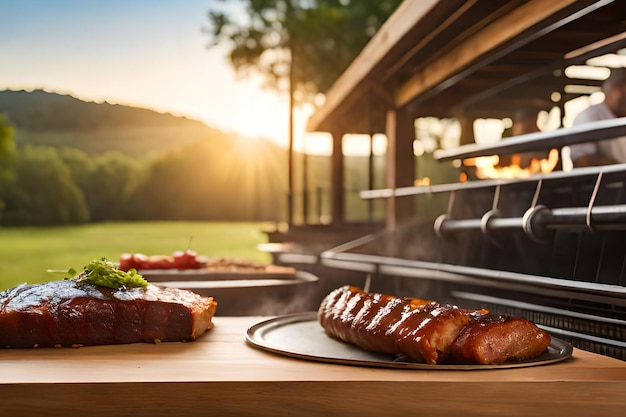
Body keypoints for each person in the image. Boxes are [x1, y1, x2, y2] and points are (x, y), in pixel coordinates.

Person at [569, 67, 626, 167]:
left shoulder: (620, 117)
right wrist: (616, 165)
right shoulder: (589, 117)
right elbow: (582, 161)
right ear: (616, 90)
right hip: (604, 182)